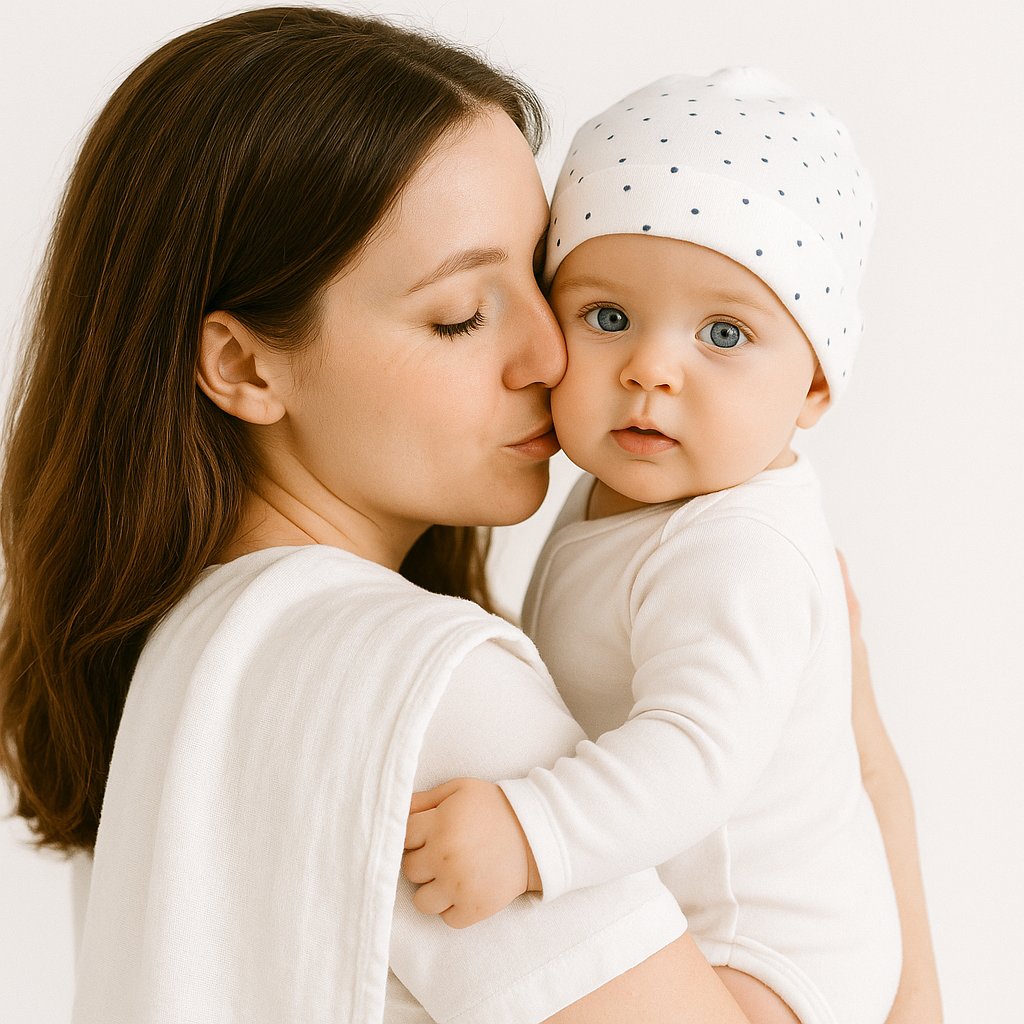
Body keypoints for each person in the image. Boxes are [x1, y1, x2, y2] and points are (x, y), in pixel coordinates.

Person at [0, 9, 938, 1023]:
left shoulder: (180, 669)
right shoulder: (426, 691)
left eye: (544, 284)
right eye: (460, 314)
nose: (552, 357)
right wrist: (871, 772)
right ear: (243, 363)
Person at [402, 70, 931, 1024]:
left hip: (772, 955)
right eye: (608, 318)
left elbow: (693, 752)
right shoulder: (631, 496)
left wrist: (532, 834)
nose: (650, 367)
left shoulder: (741, 548)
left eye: (724, 332)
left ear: (814, 386)